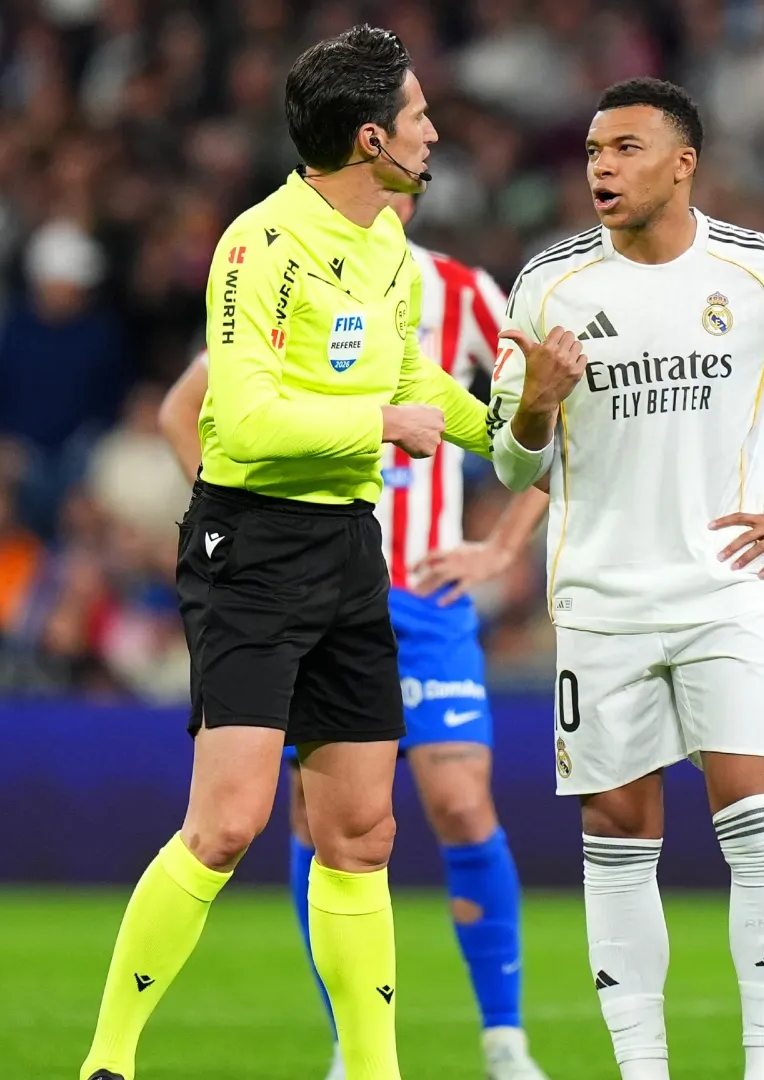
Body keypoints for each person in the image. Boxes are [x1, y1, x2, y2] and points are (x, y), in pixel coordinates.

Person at [77, 26, 491, 1080]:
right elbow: (245, 420)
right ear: (369, 138)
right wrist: (378, 427)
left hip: (352, 542)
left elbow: (422, 384)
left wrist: (518, 427)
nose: (433, 128)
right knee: (227, 825)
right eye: (418, 114)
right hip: (251, 542)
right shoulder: (258, 247)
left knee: (362, 832)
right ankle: (109, 1060)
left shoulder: (390, 246)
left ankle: (375, 1070)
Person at [487, 78, 764, 1080]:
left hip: (727, 590)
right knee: (619, 837)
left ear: (684, 163)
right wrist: (537, 409)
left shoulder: (759, 273)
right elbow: (513, 467)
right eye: (593, 149)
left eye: (627, 147)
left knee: (758, 824)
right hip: (600, 606)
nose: (601, 166)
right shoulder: (549, 285)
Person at [157, 191, 552, 1080]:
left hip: (425, 600)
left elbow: (541, 422)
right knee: (317, 817)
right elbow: (186, 410)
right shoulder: (287, 271)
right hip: (312, 584)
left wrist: (500, 545)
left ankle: (505, 1041)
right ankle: (352, 1041)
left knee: (459, 804)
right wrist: (235, 516)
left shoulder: (461, 291)